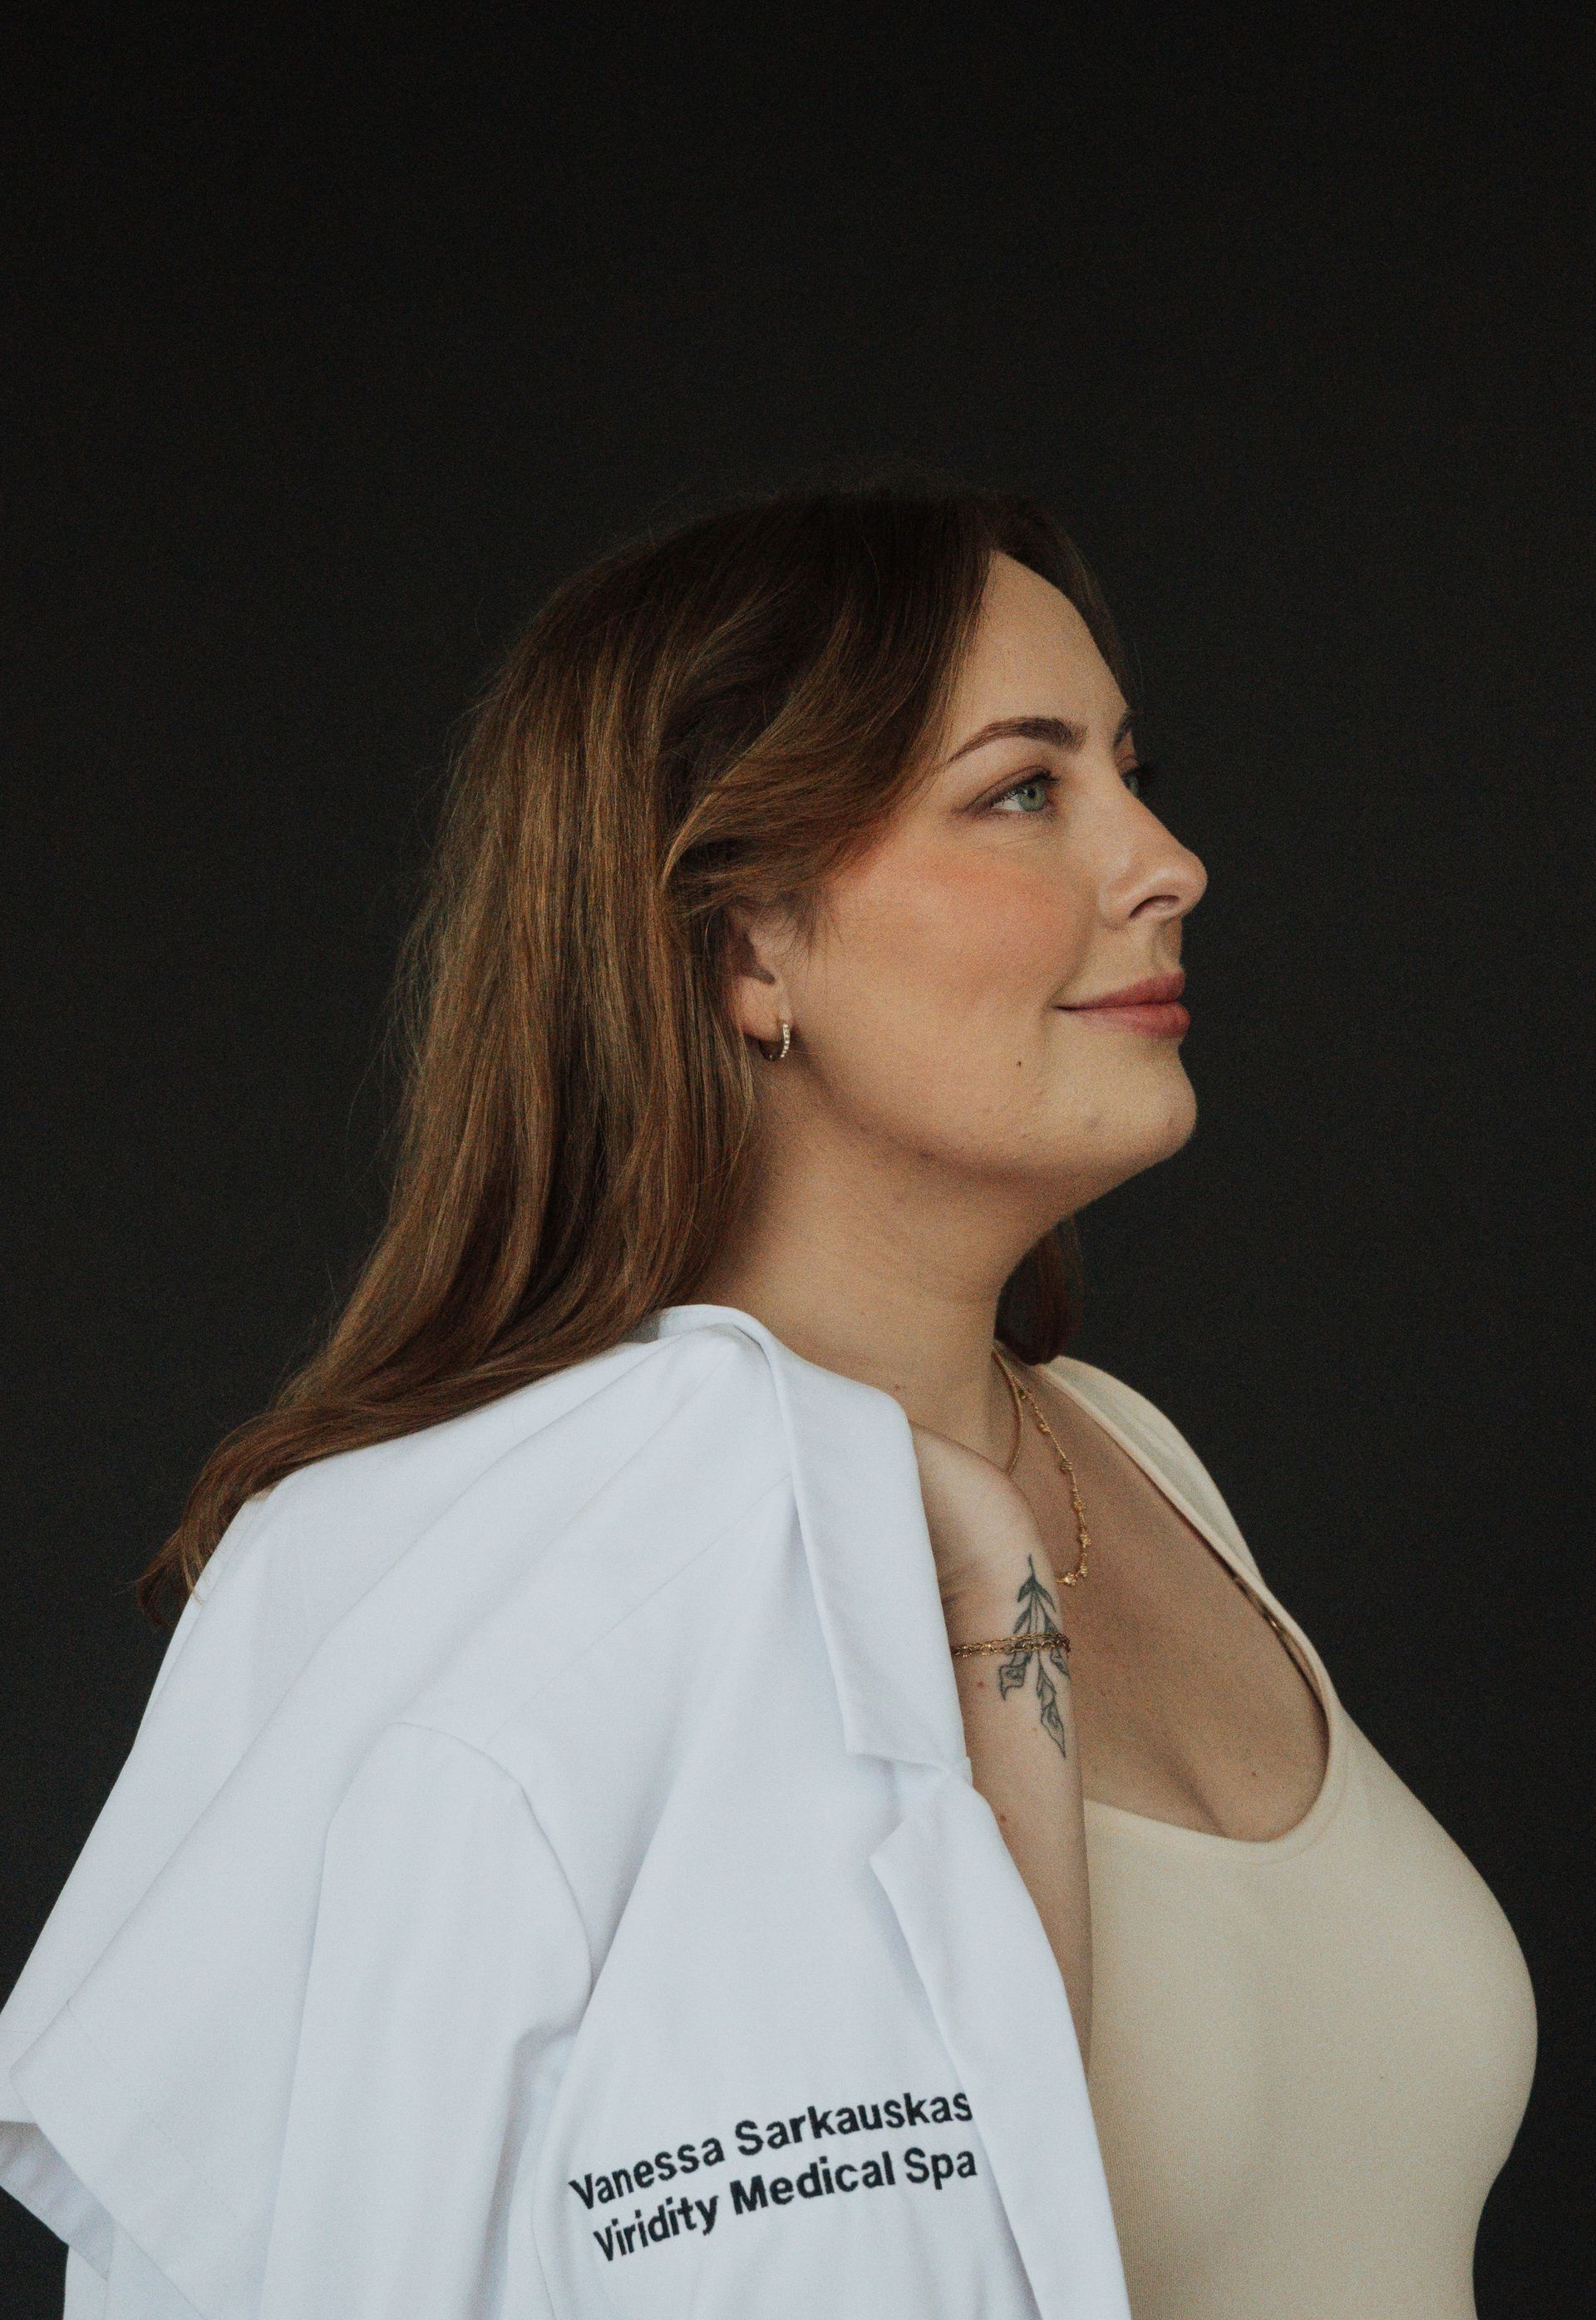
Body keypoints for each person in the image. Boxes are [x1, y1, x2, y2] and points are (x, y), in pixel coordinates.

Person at [0, 481, 1535, 2320]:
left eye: (1129, 768)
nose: (1167, 858)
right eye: (1025, 789)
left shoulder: (1128, 1452)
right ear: (745, 949)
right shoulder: (523, 1595)